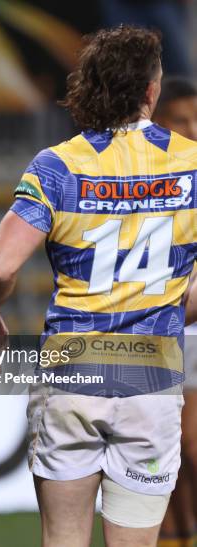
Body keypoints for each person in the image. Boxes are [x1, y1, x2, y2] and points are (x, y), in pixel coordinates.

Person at [0, 26, 196, 547]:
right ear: (150, 92)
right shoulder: (191, 164)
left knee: (64, 539)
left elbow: (0, 270)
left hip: (72, 376)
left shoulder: (58, 166)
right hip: (153, 381)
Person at [153, 76, 197, 547]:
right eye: (181, 120)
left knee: (191, 447)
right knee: (172, 454)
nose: (193, 128)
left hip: (183, 323)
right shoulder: (143, 178)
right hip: (161, 327)